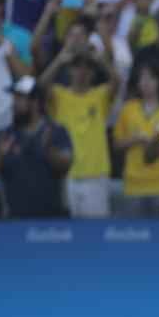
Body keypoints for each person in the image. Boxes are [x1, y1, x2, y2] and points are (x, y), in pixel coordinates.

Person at [39, 46, 118, 219]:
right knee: (70, 231)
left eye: (87, 67)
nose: (82, 71)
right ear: (69, 70)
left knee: (97, 231)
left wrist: (100, 59)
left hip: (96, 175)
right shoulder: (59, 95)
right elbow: (41, 87)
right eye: (77, 66)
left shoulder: (100, 95)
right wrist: (60, 60)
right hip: (67, 176)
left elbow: (117, 81)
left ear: (93, 73)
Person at [0, 76, 72, 218]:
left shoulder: (55, 131)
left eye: (19, 98)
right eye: (14, 98)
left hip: (52, 221)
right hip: (14, 220)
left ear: (35, 102)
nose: (14, 104)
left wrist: (49, 149)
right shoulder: (4, 135)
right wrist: (0, 155)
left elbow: (65, 166)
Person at [113, 62, 159, 216]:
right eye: (142, 78)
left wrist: (156, 143)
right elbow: (116, 144)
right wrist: (135, 139)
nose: (145, 82)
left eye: (150, 78)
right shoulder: (128, 109)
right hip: (134, 184)